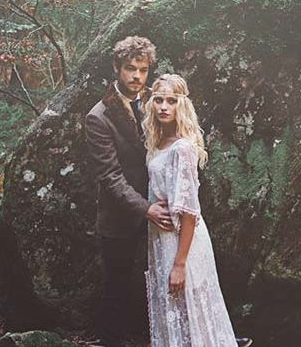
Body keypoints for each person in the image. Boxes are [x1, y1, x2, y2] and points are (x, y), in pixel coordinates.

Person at [142, 74, 247, 347]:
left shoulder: (183, 148)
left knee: (191, 310)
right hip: (160, 240)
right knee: (171, 310)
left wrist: (180, 264)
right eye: (159, 100)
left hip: (183, 242)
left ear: (181, 106)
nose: (164, 106)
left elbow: (189, 212)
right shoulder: (157, 144)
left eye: (172, 101)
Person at [86, 36, 174, 346]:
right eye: (129, 69)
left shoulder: (156, 101)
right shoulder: (98, 117)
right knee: (117, 290)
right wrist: (146, 208)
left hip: (160, 210)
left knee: (160, 282)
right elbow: (110, 177)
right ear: (117, 68)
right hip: (121, 219)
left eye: (143, 69)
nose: (136, 76)